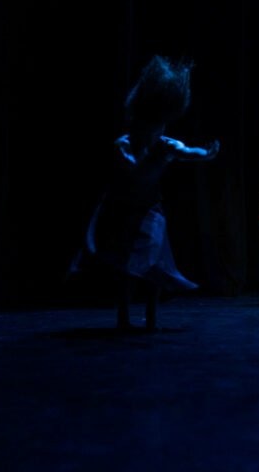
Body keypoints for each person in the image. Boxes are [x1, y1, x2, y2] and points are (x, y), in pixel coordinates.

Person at [69, 55, 220, 330]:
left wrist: (206, 153)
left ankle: (151, 317)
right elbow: (135, 172)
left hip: (151, 210)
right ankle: (124, 317)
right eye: (153, 124)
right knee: (127, 267)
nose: (157, 130)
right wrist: (157, 158)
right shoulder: (124, 145)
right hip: (123, 210)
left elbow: (187, 151)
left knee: (154, 266)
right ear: (142, 121)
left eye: (161, 124)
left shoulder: (165, 143)